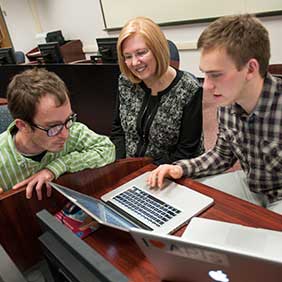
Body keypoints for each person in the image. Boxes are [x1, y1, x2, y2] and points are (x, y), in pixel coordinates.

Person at [148, 14, 282, 214]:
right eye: (205, 73)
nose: (207, 87)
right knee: (183, 202)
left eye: (216, 75)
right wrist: (181, 168)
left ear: (251, 69)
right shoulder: (228, 101)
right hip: (251, 182)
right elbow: (222, 155)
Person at [0, 68, 115, 200]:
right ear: (23, 125)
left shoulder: (74, 131)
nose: (65, 135)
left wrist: (56, 168)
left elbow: (107, 149)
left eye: (68, 119)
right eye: (53, 127)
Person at [110, 16, 204, 165]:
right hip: (131, 169)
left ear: (157, 49)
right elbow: (118, 131)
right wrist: (120, 165)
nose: (134, 63)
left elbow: (187, 150)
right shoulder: (125, 81)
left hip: (171, 171)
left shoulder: (189, 89)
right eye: (128, 56)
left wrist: (147, 170)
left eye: (141, 53)